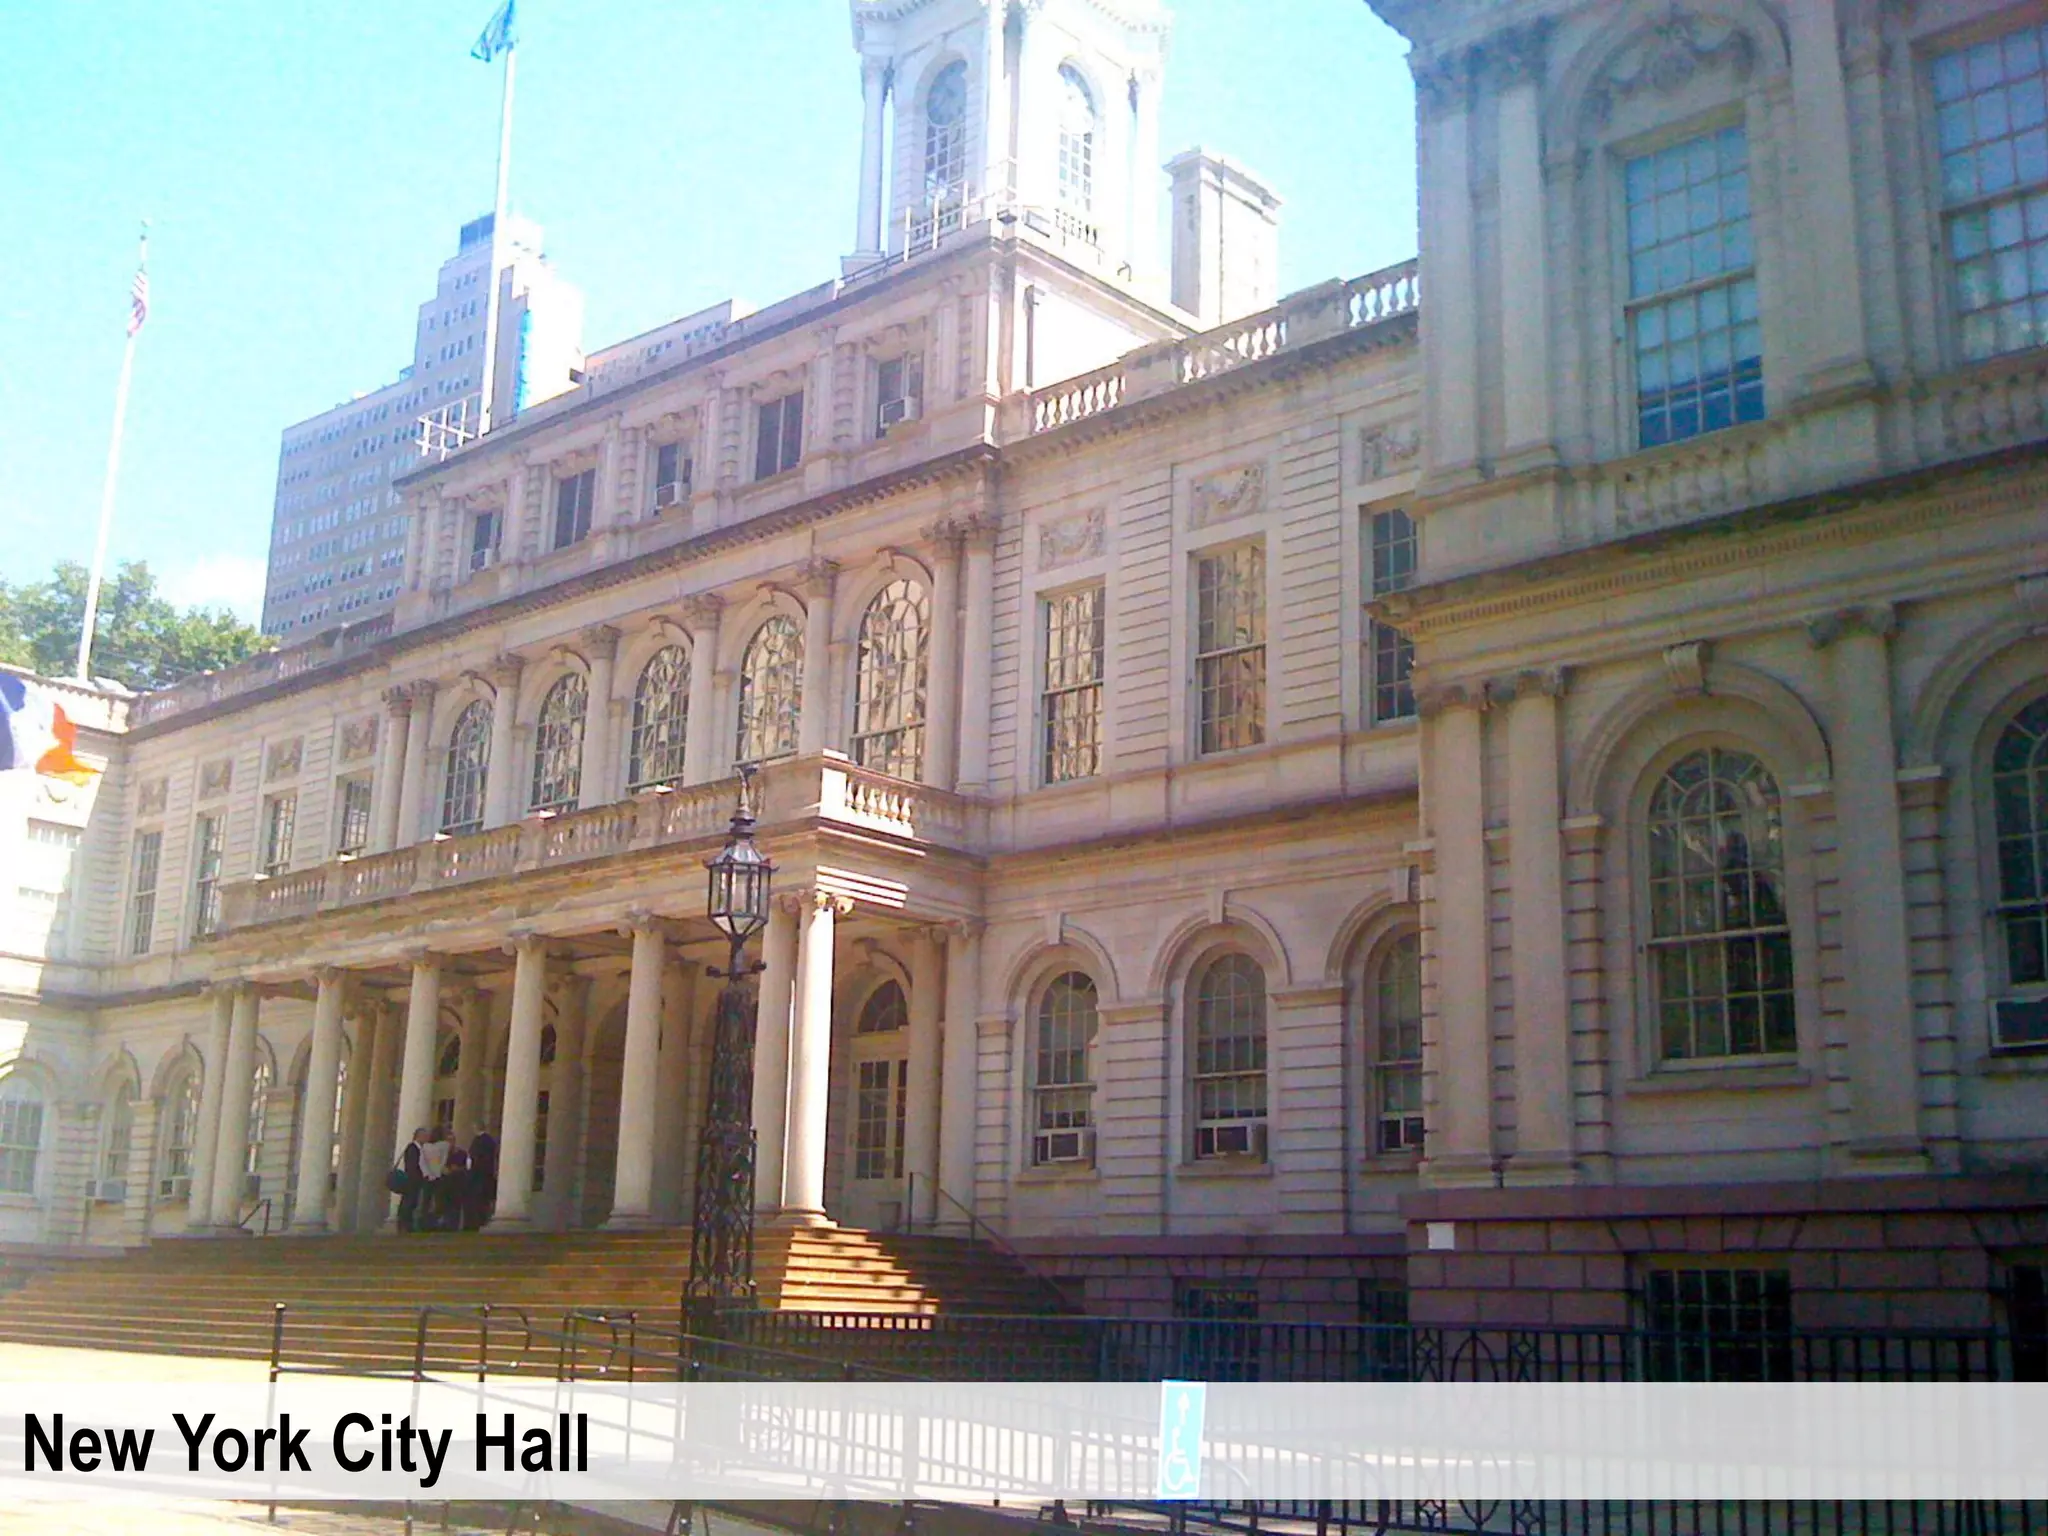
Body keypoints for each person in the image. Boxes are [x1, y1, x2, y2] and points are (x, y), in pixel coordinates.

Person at [418, 1126, 452, 1230]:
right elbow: (443, 1161)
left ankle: (424, 1223)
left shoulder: (425, 1146)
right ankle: (437, 1222)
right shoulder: (445, 1145)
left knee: (426, 1200)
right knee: (439, 1200)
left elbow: (422, 1162)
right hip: (439, 1176)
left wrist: (427, 1173)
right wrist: (439, 1172)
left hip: (428, 1176)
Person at [395, 1128, 427, 1232]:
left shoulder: (418, 1148)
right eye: (424, 1136)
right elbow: (413, 1165)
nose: (426, 1138)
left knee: (412, 1202)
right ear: (418, 1136)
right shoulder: (412, 1148)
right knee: (409, 1201)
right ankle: (404, 1224)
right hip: (412, 1180)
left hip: (414, 1180)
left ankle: (406, 1223)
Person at [466, 1129, 498, 1231]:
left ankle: (478, 1221)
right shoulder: (489, 1141)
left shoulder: (479, 1141)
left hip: (479, 1176)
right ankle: (481, 1220)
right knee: (484, 1200)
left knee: (479, 1200)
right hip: (486, 1175)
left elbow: (473, 1157)